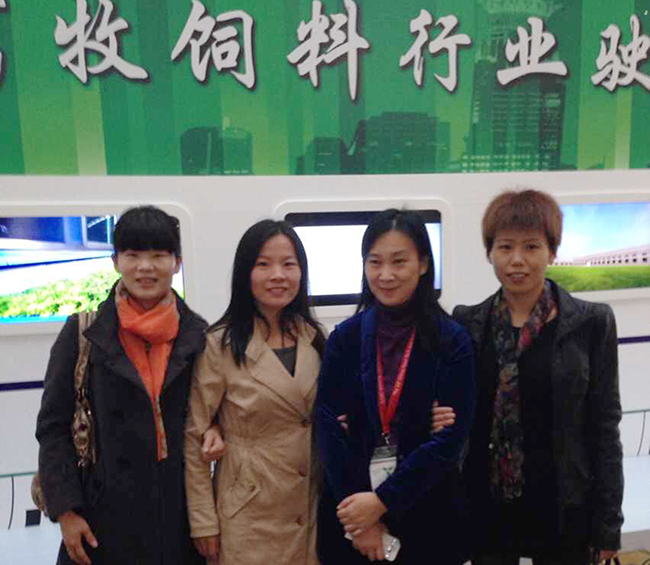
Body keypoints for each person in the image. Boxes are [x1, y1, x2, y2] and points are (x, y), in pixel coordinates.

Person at [434, 189, 624, 565]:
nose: (517, 260)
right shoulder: (468, 323)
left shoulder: (591, 322)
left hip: (563, 504)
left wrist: (608, 523)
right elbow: (454, 409)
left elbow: (604, 427)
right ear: (490, 252)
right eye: (505, 247)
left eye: (532, 247)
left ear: (552, 252)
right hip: (486, 503)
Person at [36, 206, 207, 565]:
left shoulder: (199, 336)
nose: (145, 267)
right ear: (116, 262)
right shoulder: (83, 332)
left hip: (177, 521)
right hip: (101, 523)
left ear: (177, 262)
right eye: (133, 255)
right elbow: (53, 428)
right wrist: (66, 512)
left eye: (158, 255)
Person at [316, 209, 476, 564]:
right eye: (375, 262)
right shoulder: (344, 339)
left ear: (423, 264)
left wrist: (382, 500)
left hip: (428, 514)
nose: (385, 275)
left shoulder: (452, 341)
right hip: (352, 519)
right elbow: (328, 430)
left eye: (399, 261)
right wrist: (361, 521)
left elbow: (450, 439)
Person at [184, 219, 326, 565]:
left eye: (288, 264)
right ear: (245, 273)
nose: (278, 275)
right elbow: (195, 436)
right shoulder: (221, 343)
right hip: (248, 513)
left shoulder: (314, 337)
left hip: (308, 507)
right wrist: (203, 522)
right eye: (263, 264)